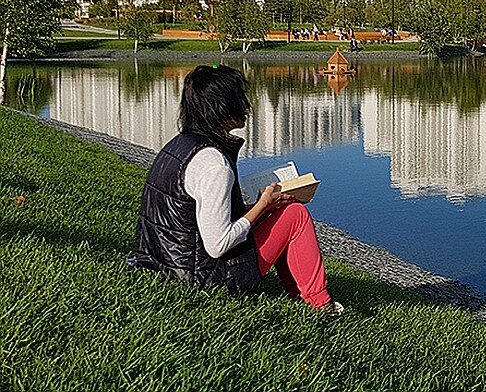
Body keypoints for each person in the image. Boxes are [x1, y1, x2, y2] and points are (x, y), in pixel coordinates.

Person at [131, 65, 342, 315]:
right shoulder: (214, 166)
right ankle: (320, 303)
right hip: (203, 278)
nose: (246, 106)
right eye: (239, 99)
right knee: (295, 214)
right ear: (221, 108)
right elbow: (218, 245)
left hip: (165, 262)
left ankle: (299, 292)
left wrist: (262, 207)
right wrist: (262, 205)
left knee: (280, 209)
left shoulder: (178, 146)